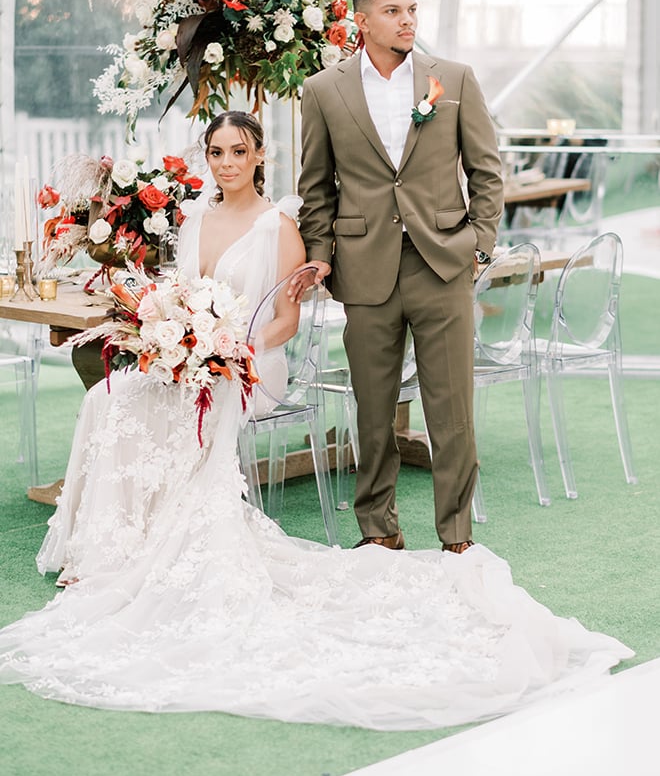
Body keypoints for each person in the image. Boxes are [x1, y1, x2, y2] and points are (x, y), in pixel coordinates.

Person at [0, 109, 632, 728]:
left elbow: (286, 319)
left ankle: (157, 538)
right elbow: (180, 290)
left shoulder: (279, 224)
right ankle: (115, 547)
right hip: (193, 355)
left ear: (258, 158)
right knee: (108, 397)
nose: (226, 164)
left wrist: (230, 351)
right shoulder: (192, 218)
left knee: (183, 407)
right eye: (216, 153)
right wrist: (175, 338)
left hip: (254, 364)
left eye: (238, 153)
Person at [296, 0, 504, 553]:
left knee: (451, 409)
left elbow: (486, 171)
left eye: (412, 9)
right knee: (372, 410)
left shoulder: (455, 79)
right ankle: (379, 531)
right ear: (360, 20)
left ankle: (457, 535)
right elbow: (317, 186)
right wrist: (320, 256)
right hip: (365, 270)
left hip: (443, 263)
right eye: (393, 10)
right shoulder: (323, 90)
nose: (408, 19)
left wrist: (479, 244)